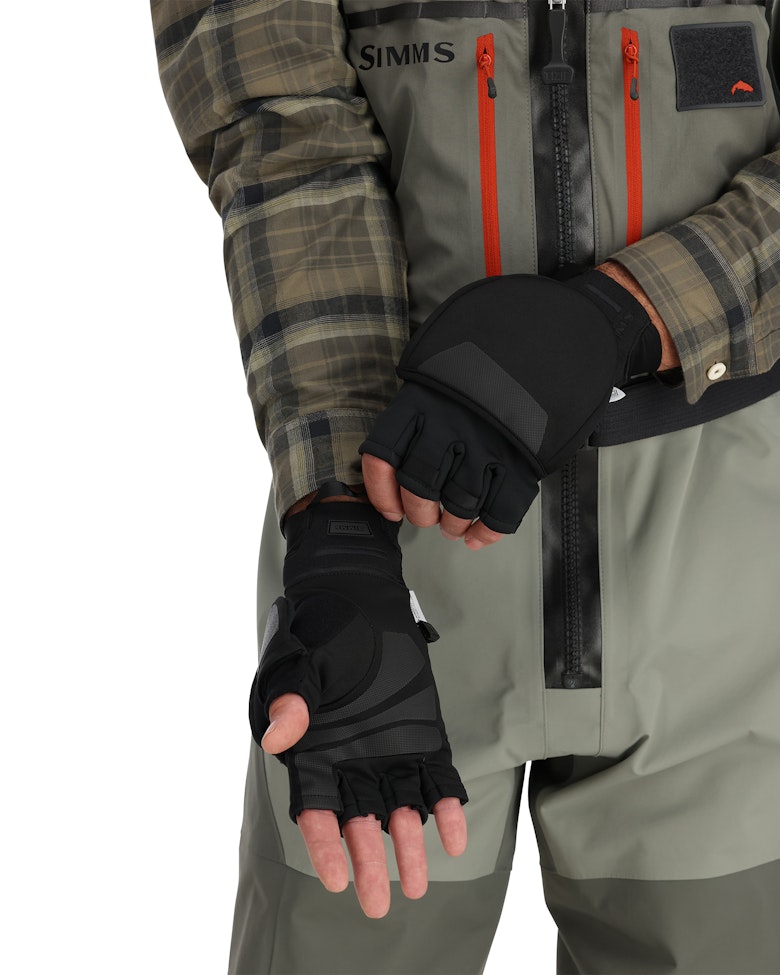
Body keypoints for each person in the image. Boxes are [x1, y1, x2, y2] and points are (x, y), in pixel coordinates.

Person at [152, 1, 780, 971]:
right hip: (395, 552)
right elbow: (280, 133)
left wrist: (629, 315)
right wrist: (339, 533)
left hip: (729, 587)